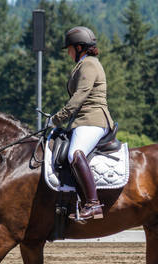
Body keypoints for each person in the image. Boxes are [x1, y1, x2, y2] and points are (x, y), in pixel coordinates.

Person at [51, 26, 114, 221]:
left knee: (74, 153)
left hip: (92, 119)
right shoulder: (84, 64)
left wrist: (57, 118)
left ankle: (93, 204)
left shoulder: (89, 65)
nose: (68, 53)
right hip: (83, 120)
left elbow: (80, 96)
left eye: (69, 48)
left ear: (79, 47)